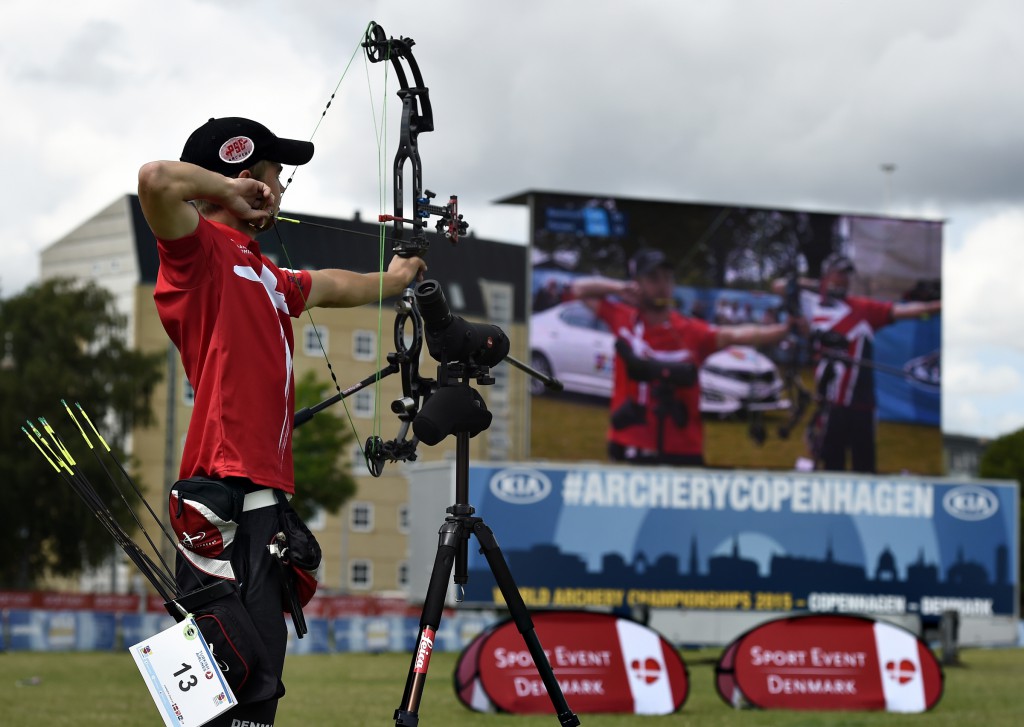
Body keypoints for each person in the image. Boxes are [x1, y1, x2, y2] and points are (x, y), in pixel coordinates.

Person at [137, 116, 426, 725]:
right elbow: (156, 179)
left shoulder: (264, 271)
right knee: (242, 681)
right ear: (247, 179)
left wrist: (396, 279)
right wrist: (225, 190)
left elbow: (333, 285)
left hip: (259, 494)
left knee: (259, 674)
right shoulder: (198, 254)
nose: (282, 188)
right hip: (223, 490)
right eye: (275, 175)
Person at [571, 248, 792, 466]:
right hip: (629, 440)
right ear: (637, 282)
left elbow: (734, 335)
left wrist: (785, 329)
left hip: (681, 448)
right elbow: (579, 289)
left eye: (667, 278)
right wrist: (620, 288)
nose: (662, 286)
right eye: (653, 278)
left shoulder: (690, 330)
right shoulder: (622, 317)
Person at [777, 253, 941, 473]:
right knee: (831, 464)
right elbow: (779, 286)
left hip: (861, 405)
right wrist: (820, 285)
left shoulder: (863, 309)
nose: (843, 279)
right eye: (838, 274)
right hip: (830, 403)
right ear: (826, 275)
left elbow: (906, 311)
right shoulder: (812, 303)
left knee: (863, 467)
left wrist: (937, 306)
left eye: (846, 275)